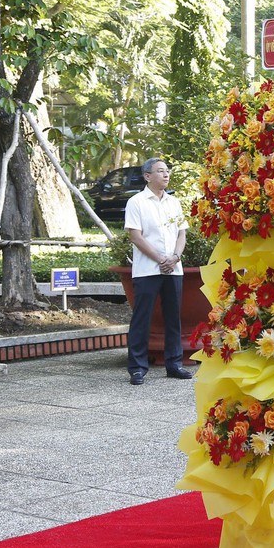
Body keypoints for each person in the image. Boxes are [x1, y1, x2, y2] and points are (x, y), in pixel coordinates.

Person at [123, 157, 192, 386]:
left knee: (174, 318)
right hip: (147, 269)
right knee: (142, 318)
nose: (166, 174)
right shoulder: (137, 202)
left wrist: (174, 257)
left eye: (167, 171)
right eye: (160, 171)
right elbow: (135, 235)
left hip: (173, 268)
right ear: (147, 176)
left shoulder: (174, 202)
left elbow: (182, 233)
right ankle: (138, 368)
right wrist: (160, 258)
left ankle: (174, 364)